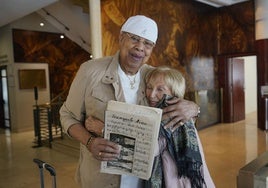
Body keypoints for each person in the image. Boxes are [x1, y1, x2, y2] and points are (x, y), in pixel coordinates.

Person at [60, 15, 200, 188]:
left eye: (147, 43)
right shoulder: (90, 71)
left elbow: (175, 118)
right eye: (134, 38)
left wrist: (194, 108)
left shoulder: (154, 77)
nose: (140, 47)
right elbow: (67, 115)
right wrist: (90, 142)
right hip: (101, 178)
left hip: (144, 180)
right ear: (121, 38)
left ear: (152, 49)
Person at [143, 66, 215, 188]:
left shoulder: (173, 118)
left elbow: (151, 150)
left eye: (160, 89)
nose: (151, 94)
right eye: (149, 87)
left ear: (174, 93)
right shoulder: (180, 111)